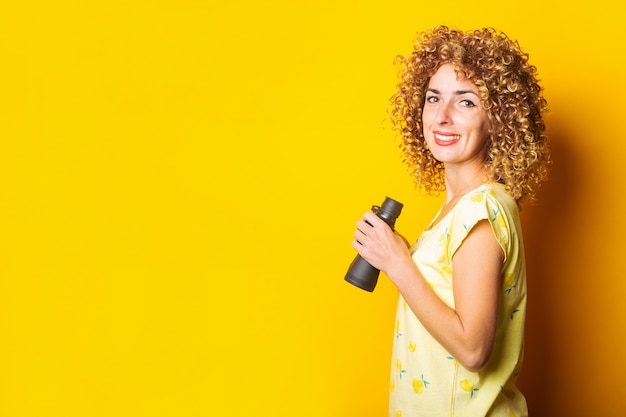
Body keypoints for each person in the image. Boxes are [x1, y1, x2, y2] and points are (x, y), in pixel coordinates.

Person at [351, 26, 550, 416]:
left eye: (466, 102)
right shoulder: (458, 209)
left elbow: (474, 349)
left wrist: (397, 262)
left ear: (498, 119)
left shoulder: (481, 209)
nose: (441, 116)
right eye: (433, 98)